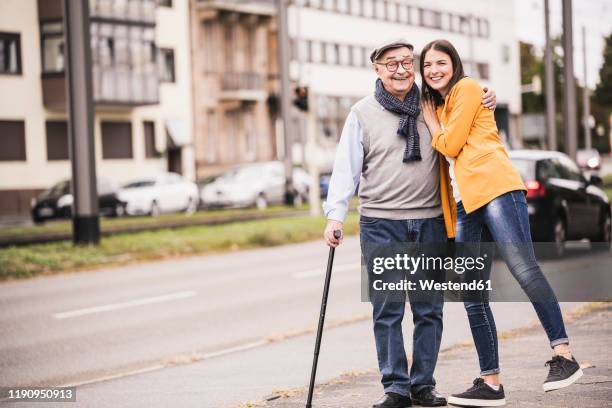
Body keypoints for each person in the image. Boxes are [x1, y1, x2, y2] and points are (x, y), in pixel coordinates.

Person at [323, 39, 496, 408]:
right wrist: (335, 215)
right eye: (391, 63)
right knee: (387, 309)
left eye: (406, 62)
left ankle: (423, 385)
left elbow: (467, 103)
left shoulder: (434, 105)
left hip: (431, 221)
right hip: (381, 223)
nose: (401, 69)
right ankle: (396, 388)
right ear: (377, 69)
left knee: (428, 308)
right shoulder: (361, 113)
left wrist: (487, 93)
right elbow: (346, 169)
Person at [420, 39, 583, 407]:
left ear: (454, 64)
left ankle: (565, 356)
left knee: (523, 267)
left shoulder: (466, 88)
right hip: (467, 202)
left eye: (441, 62)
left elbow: (450, 144)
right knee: (472, 291)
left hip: (495, 188)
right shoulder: (443, 101)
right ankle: (490, 382)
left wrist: (433, 122)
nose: (434, 70)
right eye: (428, 64)